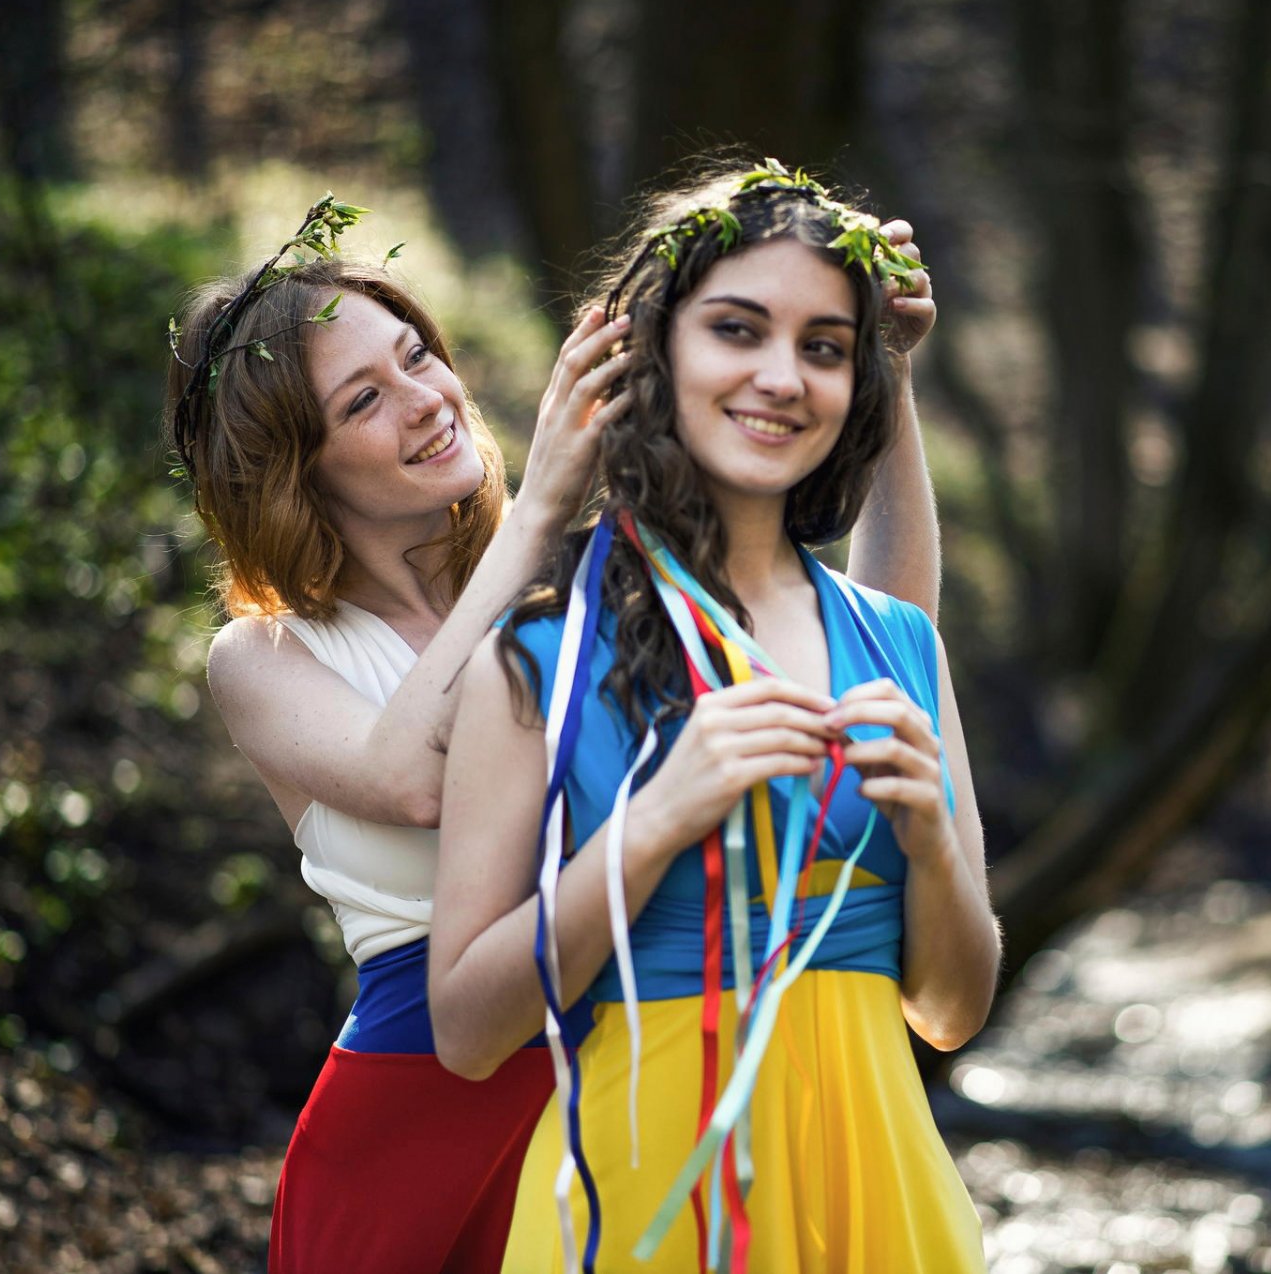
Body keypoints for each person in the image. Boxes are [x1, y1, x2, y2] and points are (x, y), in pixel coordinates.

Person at [163, 191, 943, 1272]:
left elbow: (878, 647)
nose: (426, 399)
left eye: (418, 357)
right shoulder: (268, 659)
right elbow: (417, 781)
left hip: (626, 1080)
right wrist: (539, 508)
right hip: (412, 1120)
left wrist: (889, 378)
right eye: (364, 400)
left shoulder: (594, 579)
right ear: (297, 469)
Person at [428, 163, 998, 1273]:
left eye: (825, 347)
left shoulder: (900, 644)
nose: (783, 377)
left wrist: (931, 844)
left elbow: (955, 1008)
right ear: (659, 348)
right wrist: (649, 826)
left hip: (879, 1204)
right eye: (738, 329)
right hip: (647, 1212)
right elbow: (466, 1029)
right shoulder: (538, 656)